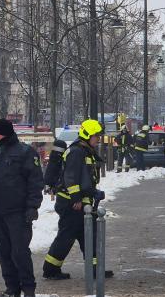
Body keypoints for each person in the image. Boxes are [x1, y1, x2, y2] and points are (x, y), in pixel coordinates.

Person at [0, 119, 43, 297]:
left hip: (18, 213)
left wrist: (32, 206)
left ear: (2, 132)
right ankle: (12, 288)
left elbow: (35, 182)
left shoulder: (25, 152)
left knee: (19, 252)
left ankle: (28, 289)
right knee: (4, 252)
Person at [43, 119, 113, 281]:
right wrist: (76, 199)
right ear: (87, 135)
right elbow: (71, 178)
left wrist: (93, 193)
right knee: (66, 237)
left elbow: (84, 178)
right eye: (96, 136)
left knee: (90, 235)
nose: (98, 139)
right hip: (71, 203)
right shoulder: (77, 152)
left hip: (82, 202)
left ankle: (96, 268)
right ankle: (50, 269)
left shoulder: (85, 150)